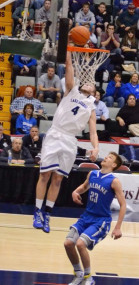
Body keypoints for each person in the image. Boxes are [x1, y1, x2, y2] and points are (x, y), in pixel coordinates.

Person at [33, 51, 99, 233]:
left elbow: (93, 131)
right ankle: (37, 211)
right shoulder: (72, 89)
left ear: (94, 90)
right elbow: (69, 68)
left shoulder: (92, 105)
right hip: (56, 134)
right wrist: (68, 51)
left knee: (58, 178)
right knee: (45, 175)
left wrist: (96, 147)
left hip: (70, 140)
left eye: (90, 83)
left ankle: (47, 214)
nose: (86, 81)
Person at [64, 152, 126, 285]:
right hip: (86, 217)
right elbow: (85, 186)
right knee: (68, 243)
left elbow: (123, 205)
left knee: (80, 244)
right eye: (107, 156)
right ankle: (78, 274)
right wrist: (75, 192)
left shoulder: (114, 181)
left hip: (101, 221)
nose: (106, 157)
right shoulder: (92, 174)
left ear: (114, 165)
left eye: (110, 157)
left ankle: (88, 277)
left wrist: (118, 227)